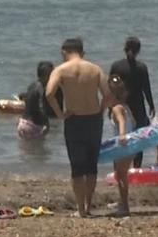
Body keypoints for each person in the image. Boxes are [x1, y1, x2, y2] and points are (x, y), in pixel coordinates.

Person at [46, 37, 113, 218]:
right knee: (91, 166)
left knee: (77, 167)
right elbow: (107, 94)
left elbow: (49, 93)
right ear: (82, 52)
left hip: (74, 119)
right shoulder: (95, 69)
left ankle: (81, 210)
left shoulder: (61, 70)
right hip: (93, 119)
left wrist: (60, 114)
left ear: (63, 52)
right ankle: (89, 206)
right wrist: (100, 110)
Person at [109, 37, 154, 168]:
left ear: (125, 48)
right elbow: (146, 88)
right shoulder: (141, 67)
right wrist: (151, 105)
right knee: (138, 140)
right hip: (138, 107)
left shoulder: (116, 66)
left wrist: (109, 107)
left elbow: (111, 86)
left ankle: (117, 169)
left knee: (118, 137)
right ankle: (136, 168)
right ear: (138, 50)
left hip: (119, 105)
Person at [106, 75, 134, 217]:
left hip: (123, 146)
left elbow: (122, 122)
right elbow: (133, 123)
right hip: (129, 145)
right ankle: (122, 202)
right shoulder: (126, 107)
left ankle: (125, 207)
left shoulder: (116, 108)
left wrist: (122, 135)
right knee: (120, 174)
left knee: (122, 176)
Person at [18, 61, 58, 138]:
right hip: (33, 126)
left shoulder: (33, 85)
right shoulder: (41, 88)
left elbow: (27, 98)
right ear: (47, 75)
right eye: (53, 74)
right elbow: (41, 107)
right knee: (39, 149)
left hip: (23, 122)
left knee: (27, 149)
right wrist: (46, 124)